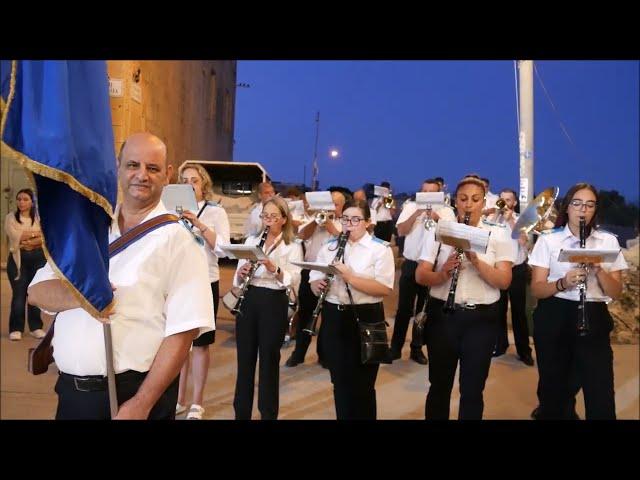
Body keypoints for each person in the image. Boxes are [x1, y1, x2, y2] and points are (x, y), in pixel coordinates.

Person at [27, 132, 215, 420]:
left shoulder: (180, 240)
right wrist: (83, 294)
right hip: (70, 395)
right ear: (118, 167)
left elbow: (183, 331)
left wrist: (142, 403)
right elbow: (36, 291)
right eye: (132, 165)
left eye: (152, 168)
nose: (142, 175)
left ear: (166, 175)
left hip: (131, 398)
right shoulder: (87, 229)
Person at [415, 176, 515, 419]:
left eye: (475, 199)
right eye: (463, 199)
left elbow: (503, 281)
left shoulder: (499, 233)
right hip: (443, 317)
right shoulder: (439, 231)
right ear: (454, 202)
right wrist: (442, 274)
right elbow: (420, 275)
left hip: (481, 319)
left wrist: (475, 261)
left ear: (484, 202)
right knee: (439, 386)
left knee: (472, 390)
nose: (469, 205)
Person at [529, 182, 627, 420]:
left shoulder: (607, 242)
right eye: (577, 203)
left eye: (589, 205)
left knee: (600, 389)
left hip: (593, 314)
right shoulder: (549, 241)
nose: (583, 210)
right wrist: (563, 282)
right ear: (568, 207)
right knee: (555, 391)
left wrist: (599, 270)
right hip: (554, 313)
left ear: (595, 210)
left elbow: (615, 293)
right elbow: (537, 289)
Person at [310, 198, 395, 419]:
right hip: (334, 315)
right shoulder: (330, 246)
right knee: (339, 382)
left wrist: (350, 277)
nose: (349, 224)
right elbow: (314, 277)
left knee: (364, 384)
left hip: (366, 316)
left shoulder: (379, 249)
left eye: (356, 219)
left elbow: (384, 288)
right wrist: (316, 286)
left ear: (367, 222)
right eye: (345, 219)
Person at [232, 197, 302, 419]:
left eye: (273, 216)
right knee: (245, 360)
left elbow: (294, 280)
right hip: (250, 298)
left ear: (283, 219)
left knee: (269, 362)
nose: (268, 221)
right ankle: (241, 413)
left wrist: (274, 268)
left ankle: (268, 413)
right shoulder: (252, 239)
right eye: (265, 216)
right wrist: (241, 273)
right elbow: (236, 279)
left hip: (274, 300)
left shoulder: (292, 245)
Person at [175, 162, 231, 420]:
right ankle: (178, 398)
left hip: (205, 280)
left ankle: (197, 402)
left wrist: (198, 222)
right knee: (178, 344)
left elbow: (223, 249)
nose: (190, 185)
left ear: (203, 184)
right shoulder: (170, 210)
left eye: (194, 180)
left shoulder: (216, 212)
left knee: (199, 344)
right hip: (178, 281)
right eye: (185, 180)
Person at [390, 178, 455, 364]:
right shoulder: (410, 206)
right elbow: (401, 231)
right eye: (424, 191)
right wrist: (418, 212)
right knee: (404, 309)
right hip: (411, 263)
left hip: (432, 267)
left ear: (439, 193)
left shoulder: (447, 211)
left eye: (431, 191)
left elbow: (451, 235)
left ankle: (416, 348)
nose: (426, 194)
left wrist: (437, 218)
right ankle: (395, 348)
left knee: (423, 311)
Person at [284, 190, 345, 368]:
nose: (331, 207)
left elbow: (344, 241)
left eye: (335, 204)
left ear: (341, 207)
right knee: (305, 314)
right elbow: (302, 235)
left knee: (328, 318)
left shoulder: (343, 223)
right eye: (329, 203)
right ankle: (299, 354)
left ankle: (324, 355)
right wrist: (317, 221)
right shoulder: (315, 219)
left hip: (332, 273)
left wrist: (330, 226)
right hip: (310, 272)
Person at [488, 188, 534, 366]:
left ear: (514, 203)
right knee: (498, 310)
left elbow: (524, 242)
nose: (505, 203)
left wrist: (510, 222)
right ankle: (500, 344)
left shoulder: (521, 220)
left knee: (518, 312)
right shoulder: (493, 220)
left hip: (517, 270)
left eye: (508, 200)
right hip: (499, 269)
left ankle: (524, 351)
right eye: (502, 199)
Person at [5, 188, 47, 340]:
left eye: (25, 199)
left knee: (34, 294)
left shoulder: (38, 217)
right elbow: (15, 235)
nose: (21, 202)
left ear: (31, 202)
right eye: (19, 199)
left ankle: (36, 327)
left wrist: (29, 240)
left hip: (38, 258)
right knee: (19, 295)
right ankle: (16, 328)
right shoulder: (11, 217)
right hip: (18, 260)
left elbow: (45, 236)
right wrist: (33, 236)